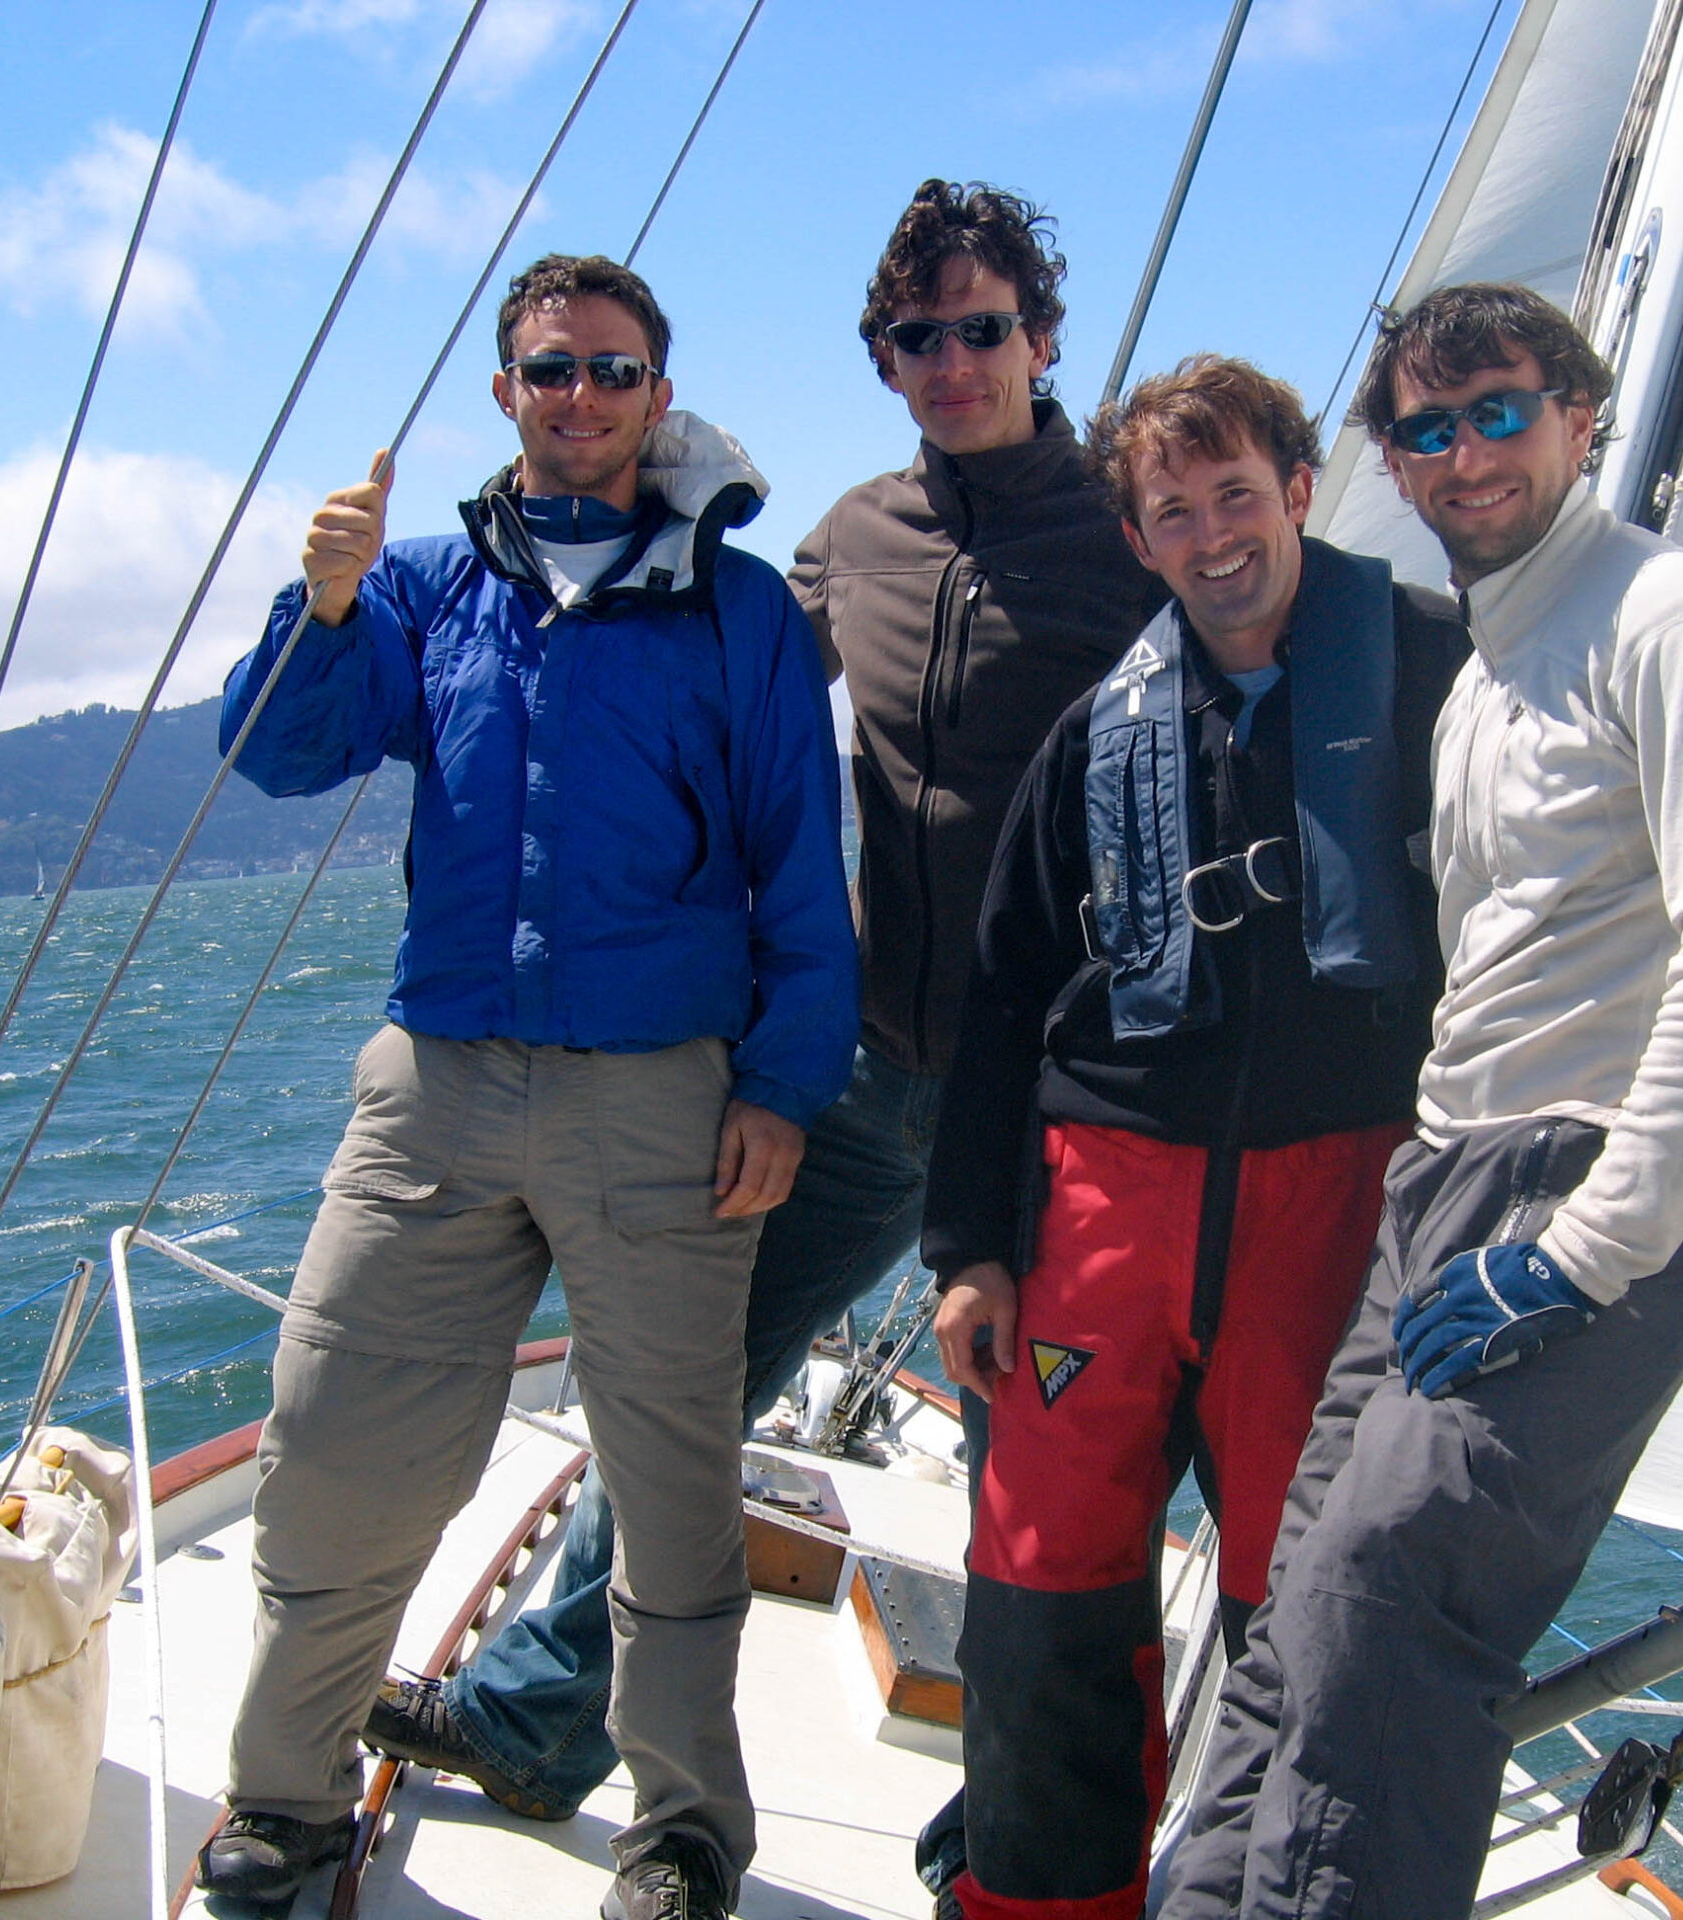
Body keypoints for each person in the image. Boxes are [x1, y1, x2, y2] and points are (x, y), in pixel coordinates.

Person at [358, 179, 1164, 1833]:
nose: (953, 360)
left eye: (983, 327)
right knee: (682, 1392)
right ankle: (535, 1725)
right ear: (885, 359)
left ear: (1040, 337)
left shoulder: (1130, 528)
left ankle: (1015, 1839)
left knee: (1045, 1474)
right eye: (917, 335)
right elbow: (688, 648)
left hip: (1059, 1096)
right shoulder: (856, 536)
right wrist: (624, 455)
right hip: (863, 1069)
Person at [1154, 283, 1683, 1920]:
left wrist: (1592, 1246)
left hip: (1588, 1186)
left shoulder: (1675, 619)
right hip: (1445, 1181)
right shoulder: (1483, 674)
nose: (1467, 454)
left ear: (1579, 416)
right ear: (1393, 461)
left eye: (1503, 411)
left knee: (1389, 1600)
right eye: (1429, 429)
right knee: (1295, 1596)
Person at [196, 253, 856, 1920]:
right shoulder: (423, 587)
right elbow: (280, 752)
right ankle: (283, 1802)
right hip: (438, 1083)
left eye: (612, 370)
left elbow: (802, 865)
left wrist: (782, 1084)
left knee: (673, 1486)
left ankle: (684, 1831)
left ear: (658, 392)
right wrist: (321, 604)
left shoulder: (742, 610)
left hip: (665, 1102)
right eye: (551, 369)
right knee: (334, 1442)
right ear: (507, 392)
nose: (581, 396)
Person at [919, 356, 1469, 1920]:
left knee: (1311, 1601)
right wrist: (968, 1248)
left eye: (1238, 494)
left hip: (1334, 1206)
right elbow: (1002, 995)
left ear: (1299, 490)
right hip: (1100, 1212)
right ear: (1139, 538)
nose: (1214, 535)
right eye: (1174, 510)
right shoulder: (1097, 735)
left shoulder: (1442, 675)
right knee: (1041, 1580)